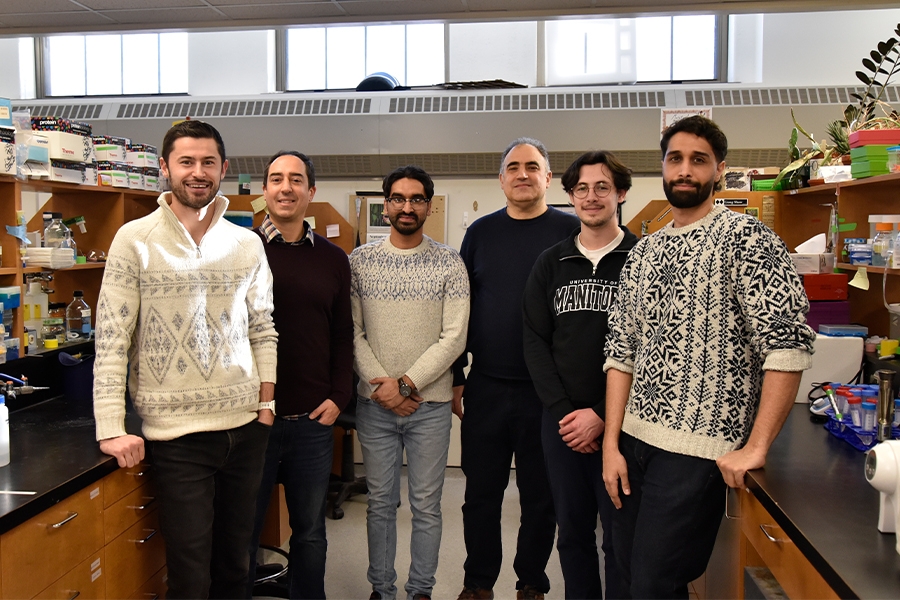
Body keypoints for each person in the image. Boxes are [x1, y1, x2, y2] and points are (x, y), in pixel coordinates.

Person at [601, 115, 816, 599]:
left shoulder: (749, 239)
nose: (684, 169)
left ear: (719, 170)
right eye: (675, 158)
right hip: (634, 443)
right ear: (662, 167)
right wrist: (612, 445)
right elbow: (621, 354)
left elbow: (786, 346)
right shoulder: (644, 251)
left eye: (698, 160)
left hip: (697, 452)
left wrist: (757, 446)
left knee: (654, 584)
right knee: (626, 577)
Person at [92, 120, 278, 599]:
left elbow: (263, 327)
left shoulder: (247, 243)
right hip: (177, 437)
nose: (198, 172)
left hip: (245, 430)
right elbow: (111, 339)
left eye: (208, 162)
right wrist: (111, 426)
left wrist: (266, 403)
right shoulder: (134, 239)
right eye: (186, 162)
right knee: (190, 575)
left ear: (224, 169)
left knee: (237, 566)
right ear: (165, 168)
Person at [455, 137, 579, 600]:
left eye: (533, 166)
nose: (523, 174)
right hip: (486, 386)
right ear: (501, 179)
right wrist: (455, 375)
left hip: (547, 392)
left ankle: (532, 581)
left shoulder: (570, 232)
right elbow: (460, 310)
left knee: (540, 498)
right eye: (513, 167)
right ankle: (478, 581)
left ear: (548, 178)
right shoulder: (481, 233)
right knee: (480, 496)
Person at [350, 165, 470, 600]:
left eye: (416, 199)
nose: (406, 206)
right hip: (374, 407)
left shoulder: (449, 262)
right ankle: (382, 589)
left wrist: (404, 385)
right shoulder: (359, 262)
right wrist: (384, 388)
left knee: (426, 507)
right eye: (398, 198)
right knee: (380, 506)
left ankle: (420, 590)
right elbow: (352, 332)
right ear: (386, 205)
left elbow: (454, 336)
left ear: (429, 206)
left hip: (430, 408)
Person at [523, 151, 638, 600]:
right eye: (582, 189)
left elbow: (651, 347)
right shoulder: (551, 263)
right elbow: (535, 342)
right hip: (564, 427)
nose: (591, 198)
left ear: (621, 194)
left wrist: (606, 418)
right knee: (571, 533)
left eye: (602, 187)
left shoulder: (642, 259)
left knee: (620, 536)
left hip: (626, 428)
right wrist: (568, 413)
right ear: (570, 197)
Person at [246, 150, 353, 599]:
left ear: (311, 191)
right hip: (251, 421)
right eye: (275, 179)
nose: (285, 187)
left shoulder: (332, 258)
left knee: (310, 531)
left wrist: (339, 396)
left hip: (312, 420)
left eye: (295, 179)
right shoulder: (238, 250)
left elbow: (343, 334)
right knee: (243, 530)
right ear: (264, 191)